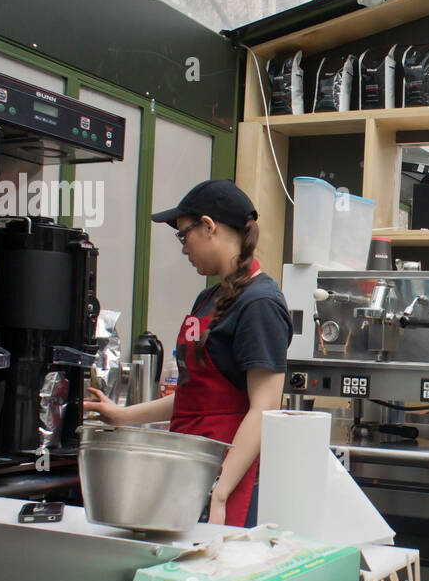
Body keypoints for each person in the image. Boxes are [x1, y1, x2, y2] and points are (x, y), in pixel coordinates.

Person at [84, 179, 291, 526]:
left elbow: (265, 407)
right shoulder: (207, 299)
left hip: (229, 476)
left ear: (209, 226)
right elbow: (194, 394)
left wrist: (220, 490)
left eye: (184, 236)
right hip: (193, 465)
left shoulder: (260, 304)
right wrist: (123, 416)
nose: (183, 249)